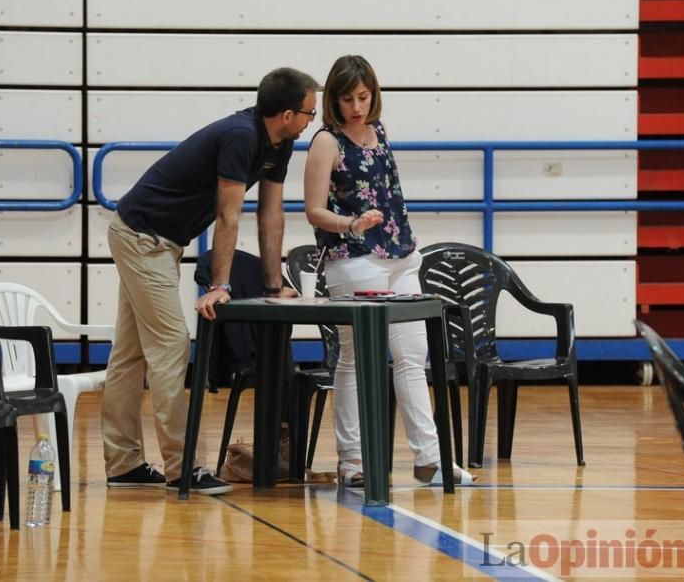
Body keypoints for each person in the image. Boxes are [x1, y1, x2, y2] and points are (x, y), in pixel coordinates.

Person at [103, 67, 320, 495]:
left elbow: (270, 215)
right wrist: (220, 284)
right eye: (310, 113)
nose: (313, 121)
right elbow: (228, 215)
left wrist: (273, 285)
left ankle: (123, 463)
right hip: (143, 237)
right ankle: (184, 468)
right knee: (170, 345)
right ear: (287, 114)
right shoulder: (241, 136)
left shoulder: (280, 144)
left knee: (131, 353)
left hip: (155, 240)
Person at [303, 55, 473, 487]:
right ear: (334, 101)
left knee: (413, 356)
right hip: (354, 260)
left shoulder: (379, 132)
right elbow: (314, 211)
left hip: (401, 256)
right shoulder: (326, 141)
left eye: (363, 97)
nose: (357, 107)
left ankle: (430, 458)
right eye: (347, 99)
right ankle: (353, 461)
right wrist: (351, 224)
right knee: (354, 360)